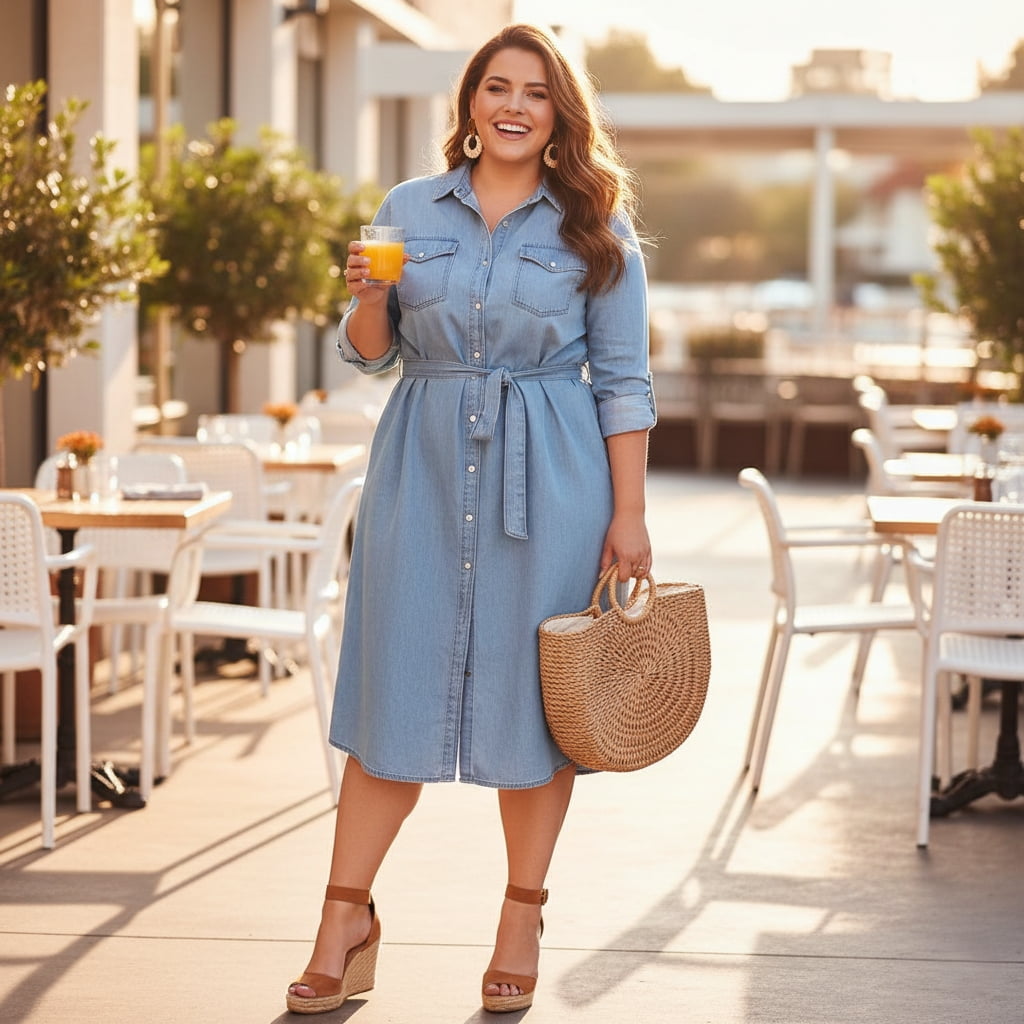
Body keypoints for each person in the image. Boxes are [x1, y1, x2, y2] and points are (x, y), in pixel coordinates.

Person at [285, 22, 656, 1016]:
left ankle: (520, 914)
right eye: (497, 86)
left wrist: (630, 516)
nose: (513, 105)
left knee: (535, 714)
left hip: (555, 482)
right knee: (388, 701)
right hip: (422, 466)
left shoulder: (595, 223)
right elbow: (370, 352)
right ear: (471, 102)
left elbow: (622, 384)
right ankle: (342, 920)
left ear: (558, 115)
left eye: (535, 92)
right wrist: (367, 294)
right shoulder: (409, 207)